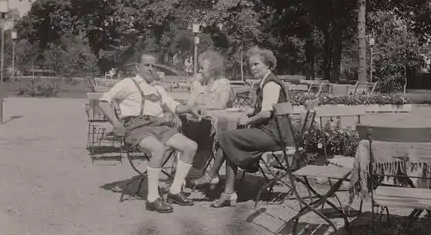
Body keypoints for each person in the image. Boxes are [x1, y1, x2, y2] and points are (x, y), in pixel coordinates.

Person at [98, 54, 201, 214]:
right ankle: (152, 198)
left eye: (153, 66)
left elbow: (173, 106)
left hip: (160, 126)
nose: (151, 68)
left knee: (191, 146)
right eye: (146, 65)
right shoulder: (128, 83)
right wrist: (116, 124)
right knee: (158, 149)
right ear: (137, 67)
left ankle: (174, 191)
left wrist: (189, 108)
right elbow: (104, 101)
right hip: (137, 127)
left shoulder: (158, 88)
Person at [192, 46, 292, 208]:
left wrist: (249, 120)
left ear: (267, 65)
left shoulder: (271, 84)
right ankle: (228, 192)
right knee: (231, 139)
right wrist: (251, 110)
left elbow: (266, 114)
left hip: (274, 135)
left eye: (256, 64)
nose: (253, 68)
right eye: (251, 65)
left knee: (227, 136)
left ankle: (212, 175)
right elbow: (265, 109)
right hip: (271, 131)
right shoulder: (266, 81)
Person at [182, 51, 232, 177]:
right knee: (189, 124)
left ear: (213, 70)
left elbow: (221, 104)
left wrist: (201, 107)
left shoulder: (223, 83)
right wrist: (196, 107)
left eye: (202, 68)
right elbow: (190, 103)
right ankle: (196, 164)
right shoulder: (198, 83)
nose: (200, 70)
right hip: (197, 121)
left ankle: (199, 164)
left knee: (206, 127)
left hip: (216, 124)